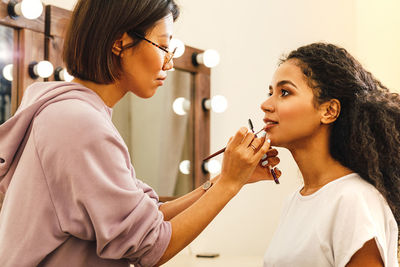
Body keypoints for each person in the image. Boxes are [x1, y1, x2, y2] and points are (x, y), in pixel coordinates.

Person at [0, 0, 281, 266]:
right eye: (162, 46)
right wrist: (228, 185)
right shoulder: (79, 123)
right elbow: (151, 247)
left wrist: (227, 179)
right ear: (119, 42)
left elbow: (148, 216)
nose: (169, 63)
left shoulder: (64, 110)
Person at [262, 42, 399, 267]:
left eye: (284, 92)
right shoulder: (294, 201)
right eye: (270, 92)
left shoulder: (354, 199)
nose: (265, 104)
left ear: (329, 111)